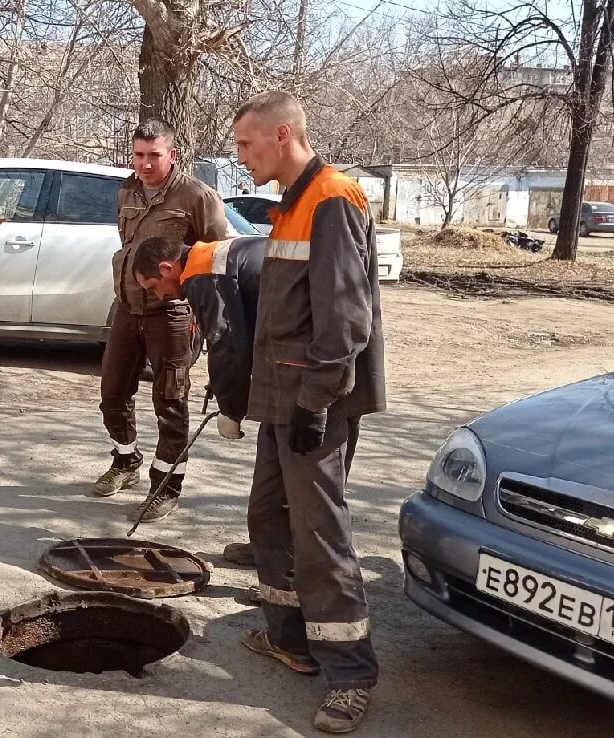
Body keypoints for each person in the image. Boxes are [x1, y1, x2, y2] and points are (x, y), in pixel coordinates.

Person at [231, 90, 386, 733]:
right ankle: (289, 636)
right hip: (280, 399)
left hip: (311, 403)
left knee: (319, 534)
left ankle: (349, 674)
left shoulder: (332, 199)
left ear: (284, 134)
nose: (241, 158)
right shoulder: (291, 203)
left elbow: (347, 318)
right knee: (269, 515)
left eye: (247, 144)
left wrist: (319, 403)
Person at [96, 119, 230, 523]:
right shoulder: (127, 190)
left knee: (169, 400)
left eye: (154, 155)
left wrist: (206, 317)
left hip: (171, 312)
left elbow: (215, 256)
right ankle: (126, 460)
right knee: (112, 395)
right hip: (127, 306)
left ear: (172, 154)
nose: (145, 163)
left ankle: (167, 486)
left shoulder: (196, 195)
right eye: (139, 155)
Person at [130, 234, 262, 443]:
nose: (159, 296)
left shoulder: (201, 274)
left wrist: (230, 409)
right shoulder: (212, 255)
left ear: (166, 268)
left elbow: (226, 344)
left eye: (155, 286)